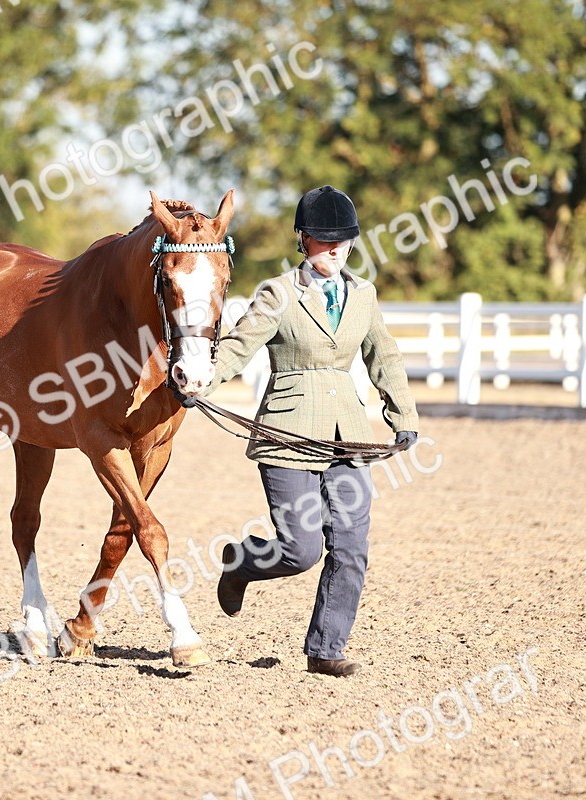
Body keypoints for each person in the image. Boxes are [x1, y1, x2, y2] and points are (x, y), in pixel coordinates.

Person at [198, 185, 419, 677]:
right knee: (300, 550)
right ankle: (243, 563)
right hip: (288, 431)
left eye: (341, 240)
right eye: (322, 240)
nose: (333, 249)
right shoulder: (278, 294)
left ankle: (326, 649)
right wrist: (200, 379)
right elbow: (238, 347)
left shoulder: (364, 295)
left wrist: (403, 416)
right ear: (303, 240)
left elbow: (383, 354)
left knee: (351, 547)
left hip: (348, 436)